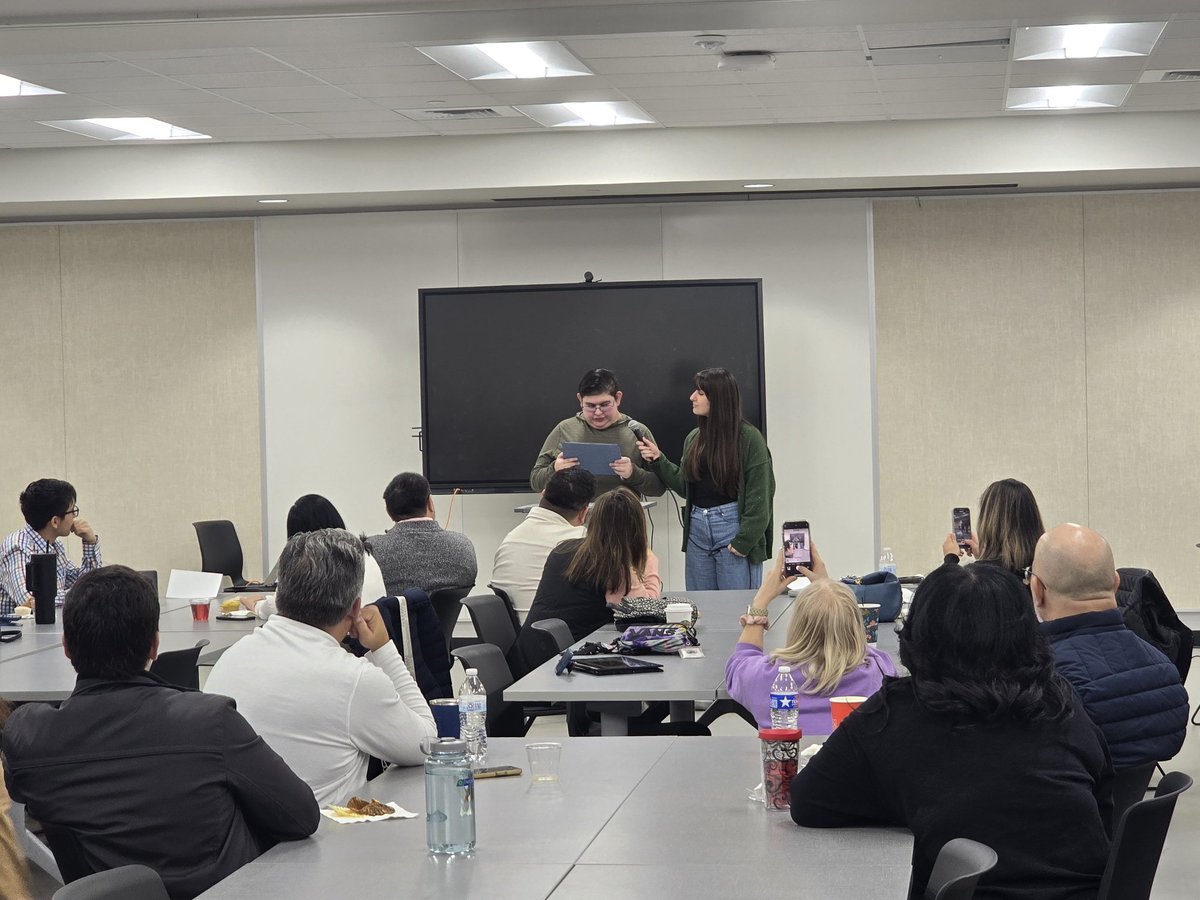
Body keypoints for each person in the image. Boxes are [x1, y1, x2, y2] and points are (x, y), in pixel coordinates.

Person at [790, 563, 1113, 900]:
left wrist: (900, 800)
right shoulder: (1060, 702)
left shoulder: (892, 714)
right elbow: (1104, 798)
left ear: (919, 633)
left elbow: (808, 803)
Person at [2, 566, 318, 898]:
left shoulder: (31, 739)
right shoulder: (211, 722)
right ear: (154, 646)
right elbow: (301, 816)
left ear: (66, 646)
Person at [205, 528, 436, 806]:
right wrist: (383, 648)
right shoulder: (354, 680)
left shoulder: (230, 659)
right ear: (355, 609)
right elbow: (427, 745)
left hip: (244, 844)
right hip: (322, 843)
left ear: (278, 597)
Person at [1031, 523, 1188, 769]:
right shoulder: (1166, 671)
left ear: (1037, 589)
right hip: (1133, 804)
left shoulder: (1041, 681)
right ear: (1116, 584)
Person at [726, 547, 896, 732]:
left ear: (798, 624)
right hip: (852, 761)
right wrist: (830, 591)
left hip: (789, 760)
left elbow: (739, 664)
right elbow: (862, 647)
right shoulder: (879, 672)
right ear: (854, 624)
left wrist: (761, 601)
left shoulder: (769, 678)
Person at [638, 367, 774, 590]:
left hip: (732, 529)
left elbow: (762, 495)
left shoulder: (750, 439)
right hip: (697, 530)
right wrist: (658, 460)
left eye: (700, 392)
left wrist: (744, 541)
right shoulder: (694, 438)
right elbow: (686, 486)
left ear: (718, 397)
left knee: (735, 610)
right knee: (701, 608)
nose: (692, 397)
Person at [511, 487, 660, 675]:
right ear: (637, 529)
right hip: (568, 669)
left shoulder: (563, 549)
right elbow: (647, 612)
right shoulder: (614, 565)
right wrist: (650, 563)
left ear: (593, 519)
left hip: (530, 660)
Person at [530, 368, 665, 499]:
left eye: (605, 404)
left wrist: (633, 473)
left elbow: (659, 488)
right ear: (580, 400)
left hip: (622, 517)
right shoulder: (564, 429)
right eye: (590, 406)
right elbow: (535, 482)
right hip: (573, 519)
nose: (598, 412)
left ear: (618, 398)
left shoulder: (637, 432)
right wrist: (555, 469)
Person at [252, 493, 387, 617]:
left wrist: (254, 605)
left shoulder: (321, 564)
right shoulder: (362, 551)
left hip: (344, 638)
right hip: (371, 629)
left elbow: (281, 606)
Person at [491, 468, 594, 613]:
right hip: (558, 632)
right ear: (584, 513)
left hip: (516, 631)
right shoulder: (581, 541)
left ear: (543, 493)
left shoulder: (510, 539)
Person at [0, 478, 102, 616]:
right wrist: (83, 594)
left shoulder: (55, 546)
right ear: (55, 521)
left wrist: (90, 543)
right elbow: (32, 601)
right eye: (72, 511)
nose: (74, 517)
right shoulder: (17, 547)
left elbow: (86, 583)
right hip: (19, 635)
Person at [368, 472, 477, 596]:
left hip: (390, 616)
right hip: (445, 616)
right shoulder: (463, 546)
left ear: (388, 511)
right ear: (430, 503)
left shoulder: (371, 551)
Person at [941, 477, 1043, 580]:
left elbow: (939, 594)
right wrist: (984, 558)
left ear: (988, 520)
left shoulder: (980, 579)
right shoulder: (1044, 569)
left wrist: (950, 559)